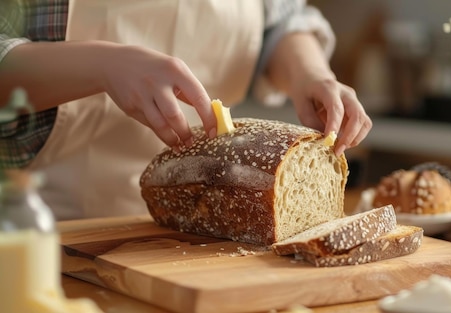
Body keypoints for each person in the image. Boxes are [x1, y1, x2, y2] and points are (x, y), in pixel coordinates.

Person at [0, 0, 372, 220]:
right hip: (39, 226)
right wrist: (100, 64)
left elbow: (281, 20)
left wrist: (310, 73)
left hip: (194, 229)